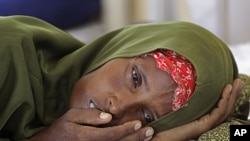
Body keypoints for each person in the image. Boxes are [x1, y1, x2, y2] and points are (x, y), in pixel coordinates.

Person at [0, 15, 246, 141]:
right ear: (121, 47)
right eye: (136, 78)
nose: (117, 108)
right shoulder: (7, 49)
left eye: (147, 116)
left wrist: (203, 130)